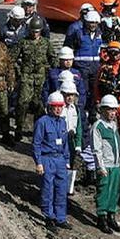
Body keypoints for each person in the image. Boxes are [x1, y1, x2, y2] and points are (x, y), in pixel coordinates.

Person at [33, 92, 73, 230]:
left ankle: (60, 218)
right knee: (48, 189)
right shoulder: (42, 122)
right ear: (49, 107)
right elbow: (36, 144)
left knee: (61, 189)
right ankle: (48, 217)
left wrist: (67, 160)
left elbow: (65, 143)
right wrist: (38, 162)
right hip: (47, 159)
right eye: (55, 106)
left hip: (60, 159)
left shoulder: (63, 122)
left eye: (60, 106)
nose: (58, 109)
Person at [90, 95, 120, 234]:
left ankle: (111, 215)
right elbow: (96, 149)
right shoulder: (98, 126)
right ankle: (102, 217)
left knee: (114, 191)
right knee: (103, 191)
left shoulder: (114, 125)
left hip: (115, 165)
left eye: (114, 110)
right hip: (105, 166)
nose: (112, 113)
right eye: (109, 110)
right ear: (103, 110)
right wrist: (100, 167)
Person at [15, 19, 53, 140]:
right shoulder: (23, 42)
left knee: (39, 105)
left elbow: (53, 58)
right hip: (26, 77)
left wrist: (53, 72)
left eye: (37, 31)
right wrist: (18, 71)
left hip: (41, 78)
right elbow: (12, 58)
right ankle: (19, 128)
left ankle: (38, 131)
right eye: (33, 31)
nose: (34, 34)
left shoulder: (46, 43)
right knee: (22, 103)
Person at [65, 7, 105, 113]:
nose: (93, 25)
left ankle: (92, 114)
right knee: (83, 91)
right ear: (86, 22)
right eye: (91, 23)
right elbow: (69, 47)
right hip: (81, 67)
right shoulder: (78, 33)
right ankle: (81, 113)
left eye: (95, 23)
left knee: (94, 91)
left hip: (95, 67)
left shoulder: (99, 34)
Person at [43, 46, 88, 117]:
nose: (68, 62)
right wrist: (47, 104)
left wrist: (80, 105)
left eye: (70, 59)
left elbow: (82, 91)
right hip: (57, 106)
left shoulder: (77, 73)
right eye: (65, 60)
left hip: (72, 106)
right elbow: (46, 90)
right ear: (60, 60)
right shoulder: (53, 73)